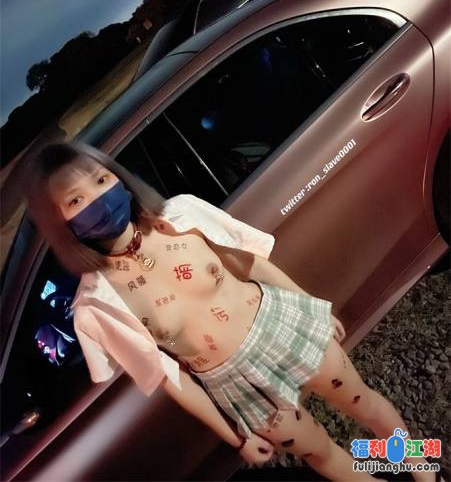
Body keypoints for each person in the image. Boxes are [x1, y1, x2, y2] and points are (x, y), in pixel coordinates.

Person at [22, 140, 435, 482]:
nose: (98, 198)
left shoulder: (181, 214)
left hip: (280, 323)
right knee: (320, 452)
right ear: (60, 224)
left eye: (101, 179)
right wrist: (236, 436)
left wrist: (313, 307)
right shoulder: (97, 305)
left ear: (119, 177)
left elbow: (249, 263)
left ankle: (419, 464)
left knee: (365, 403)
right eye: (76, 199)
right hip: (237, 383)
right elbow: (170, 378)